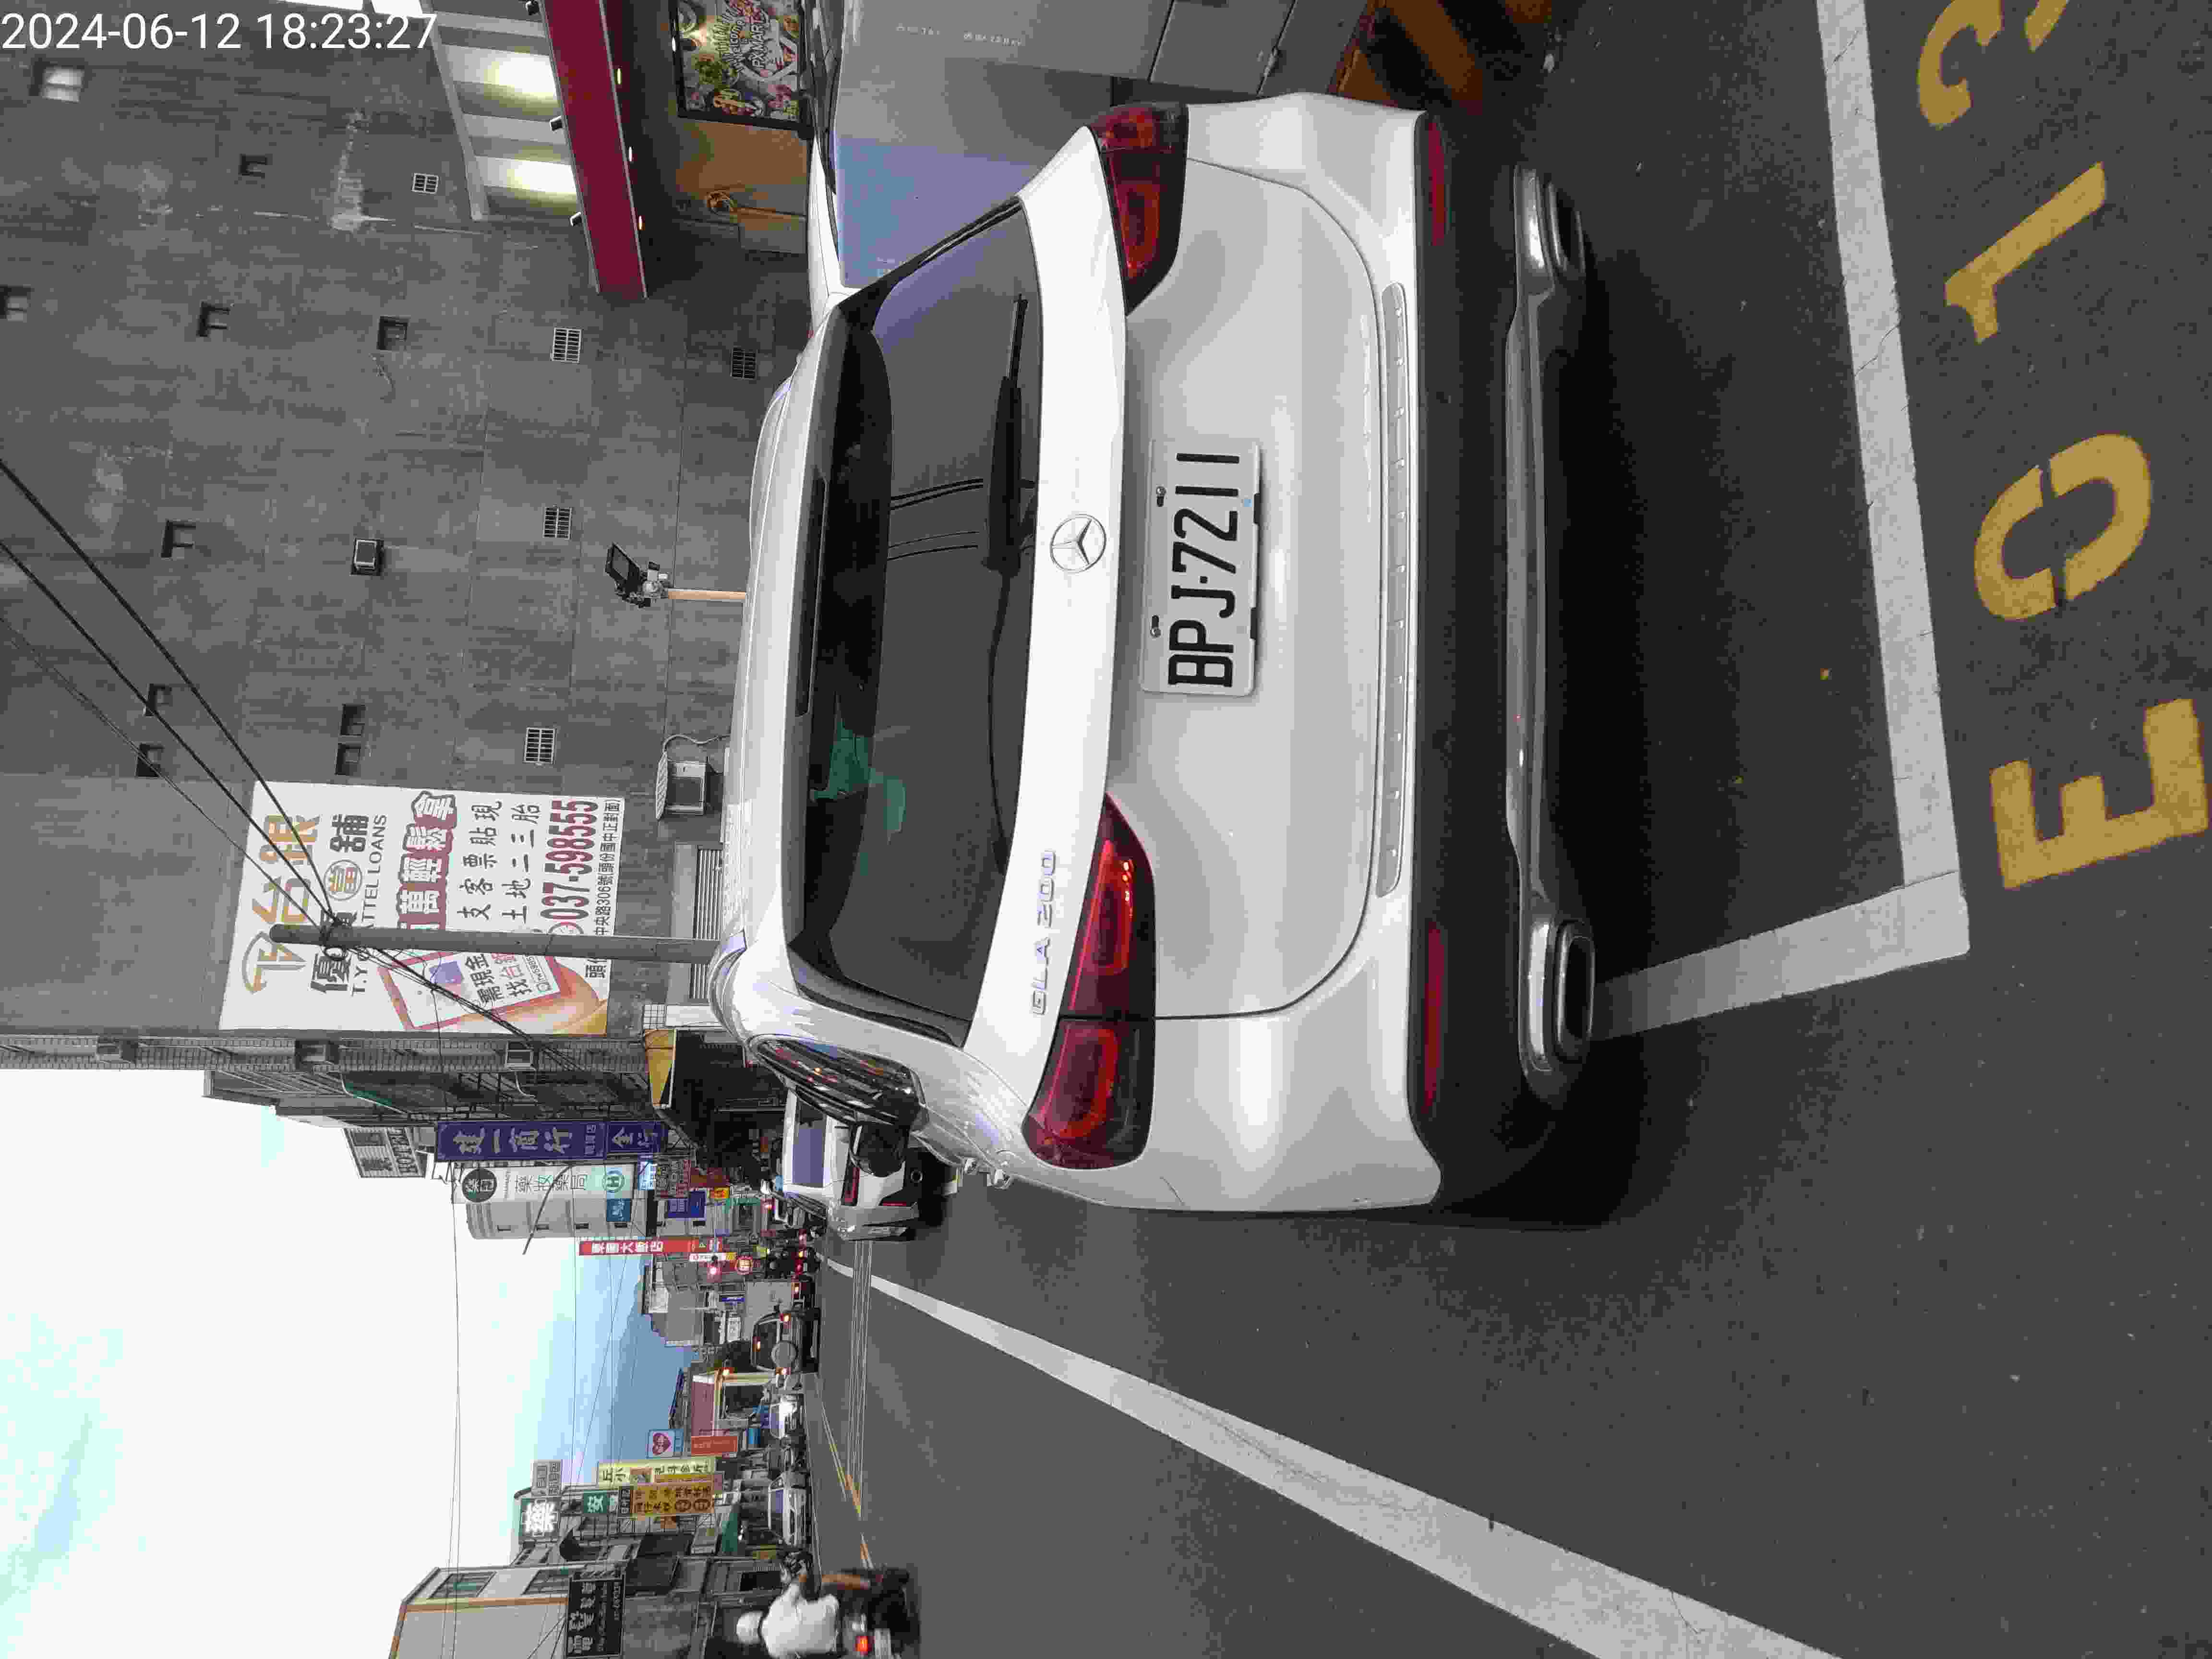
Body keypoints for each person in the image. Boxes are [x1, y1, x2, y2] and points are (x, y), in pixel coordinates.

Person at [729, 1567, 896, 1658]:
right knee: (832, 1579)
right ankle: (878, 1583)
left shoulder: (774, 1651)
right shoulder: (776, 1609)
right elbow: (797, 1586)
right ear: (755, 1616)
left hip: (837, 1645)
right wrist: (801, 1574)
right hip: (834, 1611)